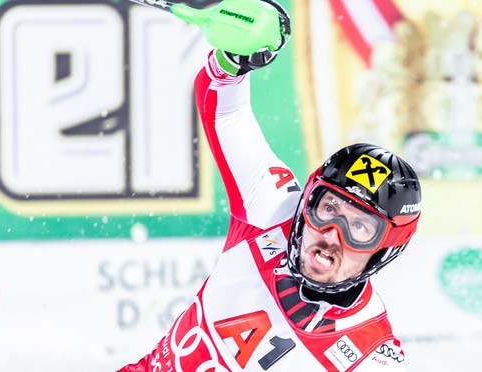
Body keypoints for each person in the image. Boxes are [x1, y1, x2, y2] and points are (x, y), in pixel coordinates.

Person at [119, 0, 421, 370]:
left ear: (384, 249)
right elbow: (225, 110)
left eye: (358, 227)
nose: (330, 234)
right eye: (327, 209)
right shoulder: (273, 210)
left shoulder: (370, 356)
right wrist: (231, 60)